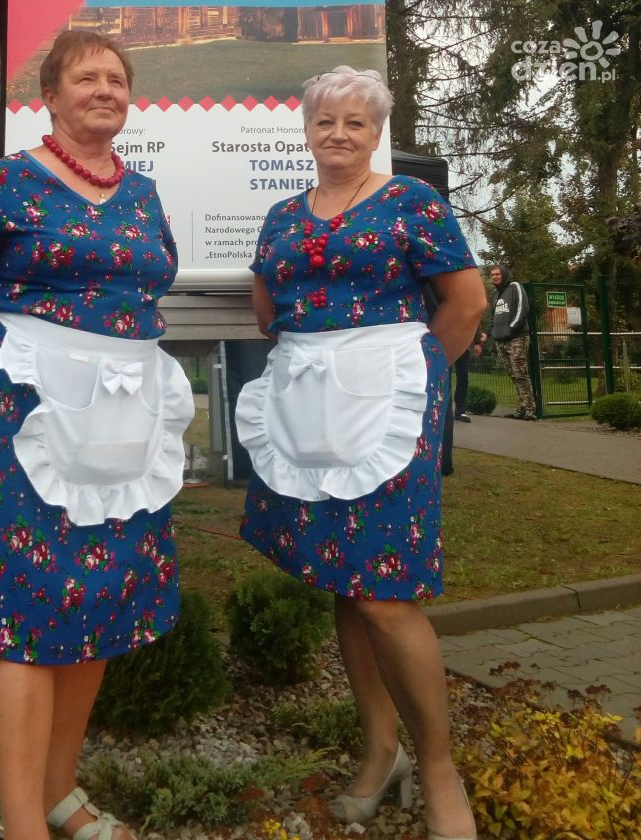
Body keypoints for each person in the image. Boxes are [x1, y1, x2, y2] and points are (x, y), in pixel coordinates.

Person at [0, 31, 193, 840]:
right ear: (50, 95)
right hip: (21, 429)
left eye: (116, 78)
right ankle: (22, 824)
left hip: (120, 429)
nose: (104, 89)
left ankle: (59, 793)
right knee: (19, 613)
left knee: (96, 602)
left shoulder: (142, 195)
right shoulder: (6, 184)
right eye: (86, 77)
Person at [235, 66, 486, 840]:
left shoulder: (411, 201)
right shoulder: (282, 215)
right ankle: (382, 752)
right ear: (306, 131)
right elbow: (267, 308)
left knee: (385, 592)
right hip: (312, 405)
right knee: (345, 579)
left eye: (355, 122)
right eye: (325, 121)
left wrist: (416, 380)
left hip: (387, 405)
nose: (338, 133)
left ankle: (438, 770)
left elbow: (467, 301)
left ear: (376, 132)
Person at [473, 265, 536, 420]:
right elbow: (493, 318)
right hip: (500, 340)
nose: (494, 277)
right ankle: (521, 408)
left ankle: (530, 409)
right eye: (492, 275)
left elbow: (523, 309)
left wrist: (511, 328)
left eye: (497, 274)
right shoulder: (495, 294)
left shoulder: (515, 287)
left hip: (517, 337)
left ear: (504, 274)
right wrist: (486, 334)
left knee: (520, 373)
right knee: (512, 375)